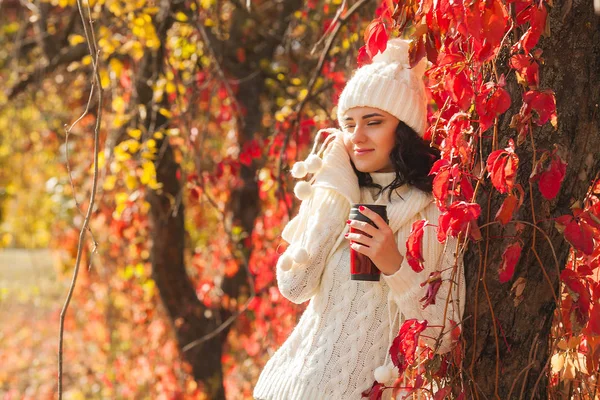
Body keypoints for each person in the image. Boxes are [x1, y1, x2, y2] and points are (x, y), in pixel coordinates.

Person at [253, 38, 465, 400]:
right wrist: (334, 192)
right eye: (348, 124)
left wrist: (394, 265)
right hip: (286, 389)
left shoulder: (431, 209)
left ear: (403, 129)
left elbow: (444, 334)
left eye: (373, 122)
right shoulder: (338, 192)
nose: (357, 136)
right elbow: (294, 286)